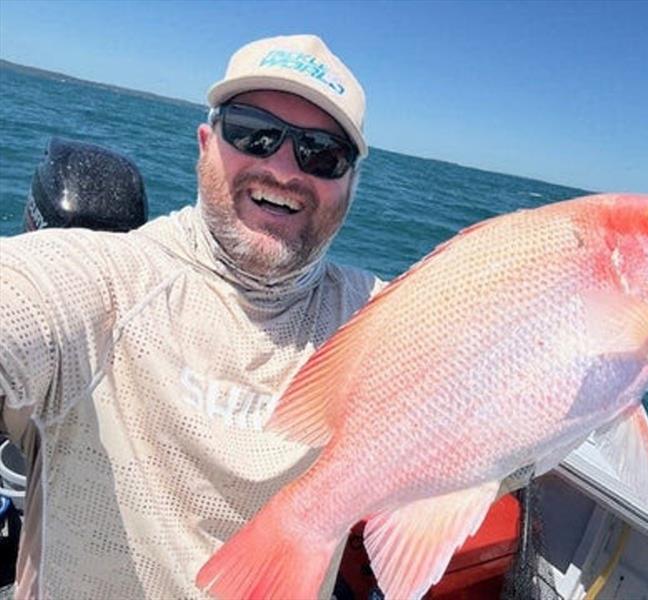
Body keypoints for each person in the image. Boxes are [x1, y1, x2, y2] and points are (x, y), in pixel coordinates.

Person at [0, 34, 382, 598]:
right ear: (206, 143)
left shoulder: (380, 317)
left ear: (349, 184)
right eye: (253, 132)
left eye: (321, 153)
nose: (281, 168)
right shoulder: (111, 281)